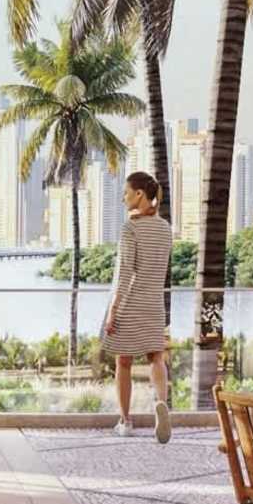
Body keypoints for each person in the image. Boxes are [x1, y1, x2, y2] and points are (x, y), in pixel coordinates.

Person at [101, 171, 174, 442]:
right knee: (157, 357)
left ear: (139, 194)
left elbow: (124, 274)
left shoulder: (129, 228)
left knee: (123, 361)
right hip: (155, 302)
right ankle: (162, 404)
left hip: (130, 302)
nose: (123, 197)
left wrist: (112, 311)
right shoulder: (165, 228)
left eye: (126, 192)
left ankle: (125, 421)